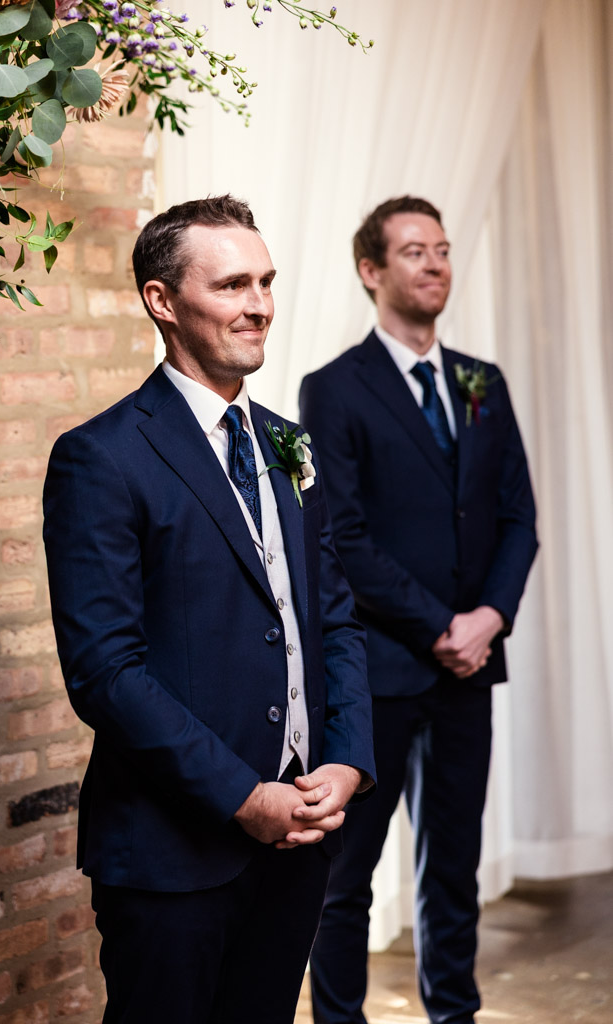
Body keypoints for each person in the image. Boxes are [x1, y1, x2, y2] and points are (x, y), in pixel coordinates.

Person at [42, 194, 375, 1024]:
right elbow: (105, 673)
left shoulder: (286, 442)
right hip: (171, 854)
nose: (258, 304)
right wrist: (241, 796)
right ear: (163, 301)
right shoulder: (100, 458)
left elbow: (331, 618)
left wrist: (344, 762)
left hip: (298, 840)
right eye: (231, 285)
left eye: (264, 281)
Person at [299, 195, 538, 1024]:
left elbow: (516, 518)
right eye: (413, 251)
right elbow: (345, 537)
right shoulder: (332, 389)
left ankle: (455, 1015)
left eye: (440, 249)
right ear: (371, 272)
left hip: (470, 669)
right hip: (382, 670)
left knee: (454, 866)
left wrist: (488, 620)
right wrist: (439, 628)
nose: (434, 263)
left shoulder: (480, 381)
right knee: (346, 874)